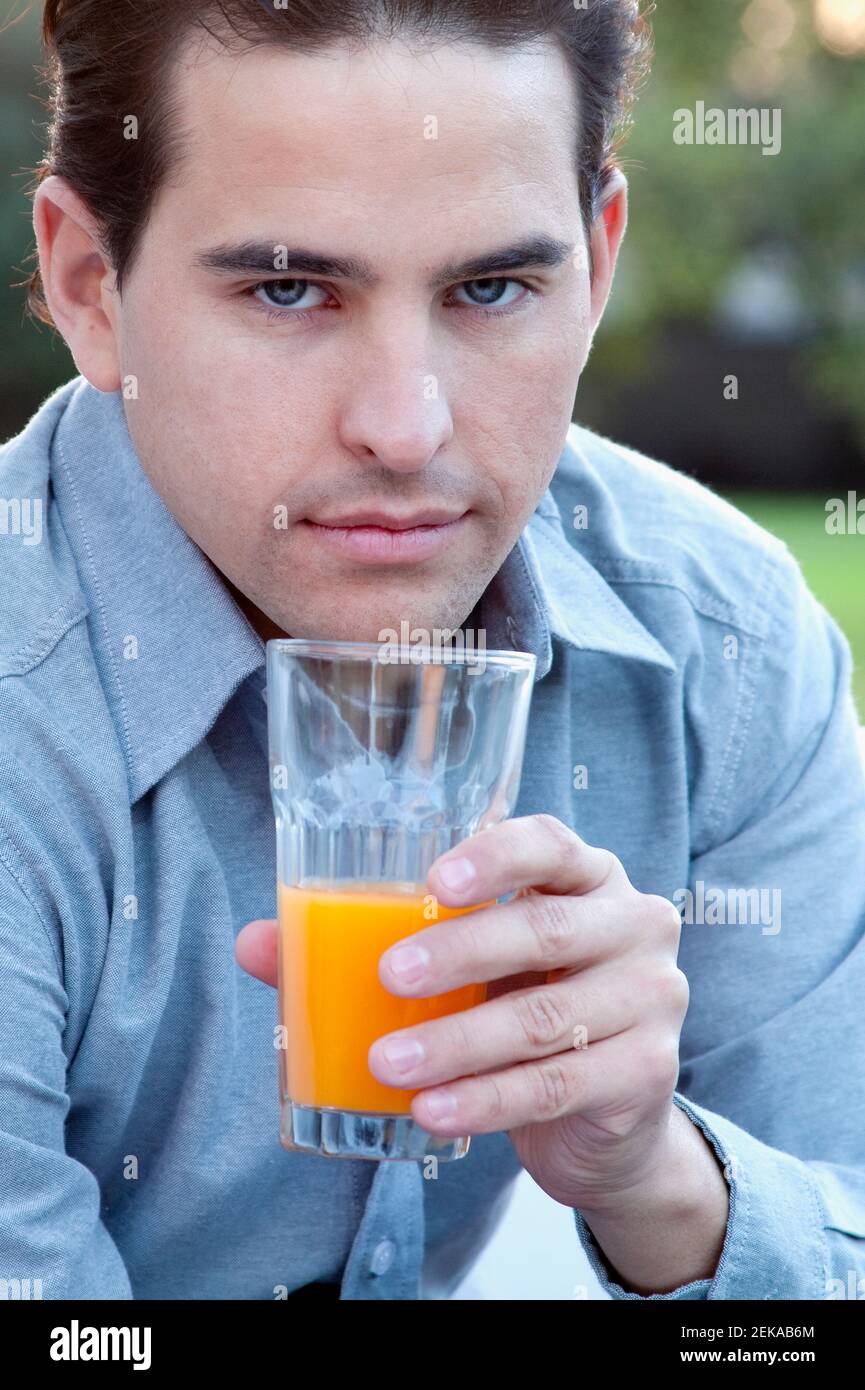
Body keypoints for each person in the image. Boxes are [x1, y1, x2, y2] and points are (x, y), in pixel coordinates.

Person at [1, 0, 862, 1302]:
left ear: (600, 258)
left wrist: (662, 1181)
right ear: (89, 284)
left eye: (491, 288)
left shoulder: (720, 646)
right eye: (288, 289)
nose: (405, 428)